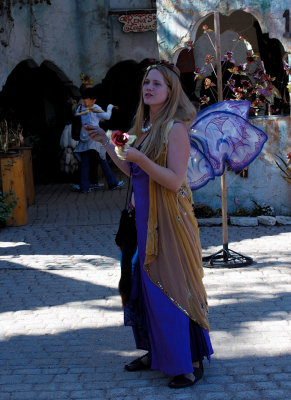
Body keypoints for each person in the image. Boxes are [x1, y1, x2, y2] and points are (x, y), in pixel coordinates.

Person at [85, 62, 213, 388]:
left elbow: (173, 181)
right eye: (146, 83)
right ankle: (155, 353)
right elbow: (133, 173)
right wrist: (106, 144)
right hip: (140, 220)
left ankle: (189, 362)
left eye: (157, 83)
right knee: (140, 289)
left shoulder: (176, 129)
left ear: (170, 92)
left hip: (168, 221)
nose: (149, 88)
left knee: (171, 288)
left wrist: (139, 158)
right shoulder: (145, 128)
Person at [73, 87, 124, 192]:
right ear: (92, 98)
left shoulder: (80, 108)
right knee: (103, 160)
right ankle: (112, 183)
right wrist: (109, 107)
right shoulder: (94, 106)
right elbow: (107, 117)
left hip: (84, 138)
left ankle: (85, 187)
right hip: (95, 138)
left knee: (86, 162)